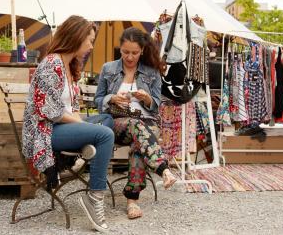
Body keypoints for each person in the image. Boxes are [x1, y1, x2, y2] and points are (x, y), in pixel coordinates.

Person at [22, 15, 114, 233]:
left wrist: (82, 122)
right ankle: (95, 196)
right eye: (89, 40)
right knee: (106, 135)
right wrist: (81, 123)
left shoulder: (69, 65)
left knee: (107, 119)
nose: (91, 46)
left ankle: (84, 154)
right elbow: (49, 111)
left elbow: (69, 109)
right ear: (77, 37)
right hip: (45, 132)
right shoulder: (52, 63)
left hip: (62, 127)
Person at [95, 27, 176, 219]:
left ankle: (132, 201)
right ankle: (163, 169)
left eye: (134, 53)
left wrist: (147, 98)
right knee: (136, 126)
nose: (129, 57)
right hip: (116, 124)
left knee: (138, 144)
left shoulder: (152, 72)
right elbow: (97, 101)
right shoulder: (108, 69)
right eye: (125, 52)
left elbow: (155, 107)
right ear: (120, 49)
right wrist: (112, 98)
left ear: (142, 51)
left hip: (145, 123)